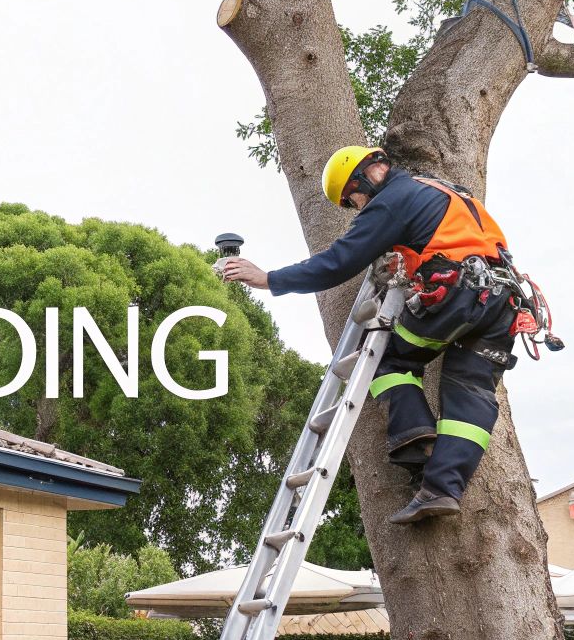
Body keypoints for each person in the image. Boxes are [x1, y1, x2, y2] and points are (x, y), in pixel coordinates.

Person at [219, 144, 522, 525]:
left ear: (363, 176)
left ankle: (415, 440)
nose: (357, 206)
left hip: (458, 297)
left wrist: (269, 279)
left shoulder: (393, 199)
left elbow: (338, 262)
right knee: (470, 392)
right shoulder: (442, 190)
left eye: (352, 197)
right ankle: (441, 489)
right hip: (503, 304)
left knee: (386, 359)